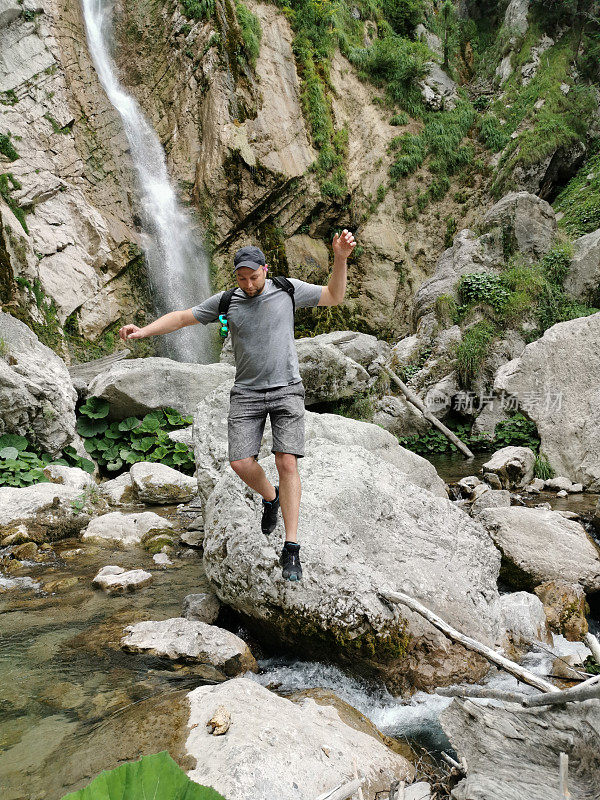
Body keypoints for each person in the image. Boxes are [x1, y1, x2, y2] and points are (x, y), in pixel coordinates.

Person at [118, 229, 356, 581]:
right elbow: (184, 317)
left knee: (286, 460)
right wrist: (144, 332)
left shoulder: (287, 289)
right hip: (246, 392)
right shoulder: (228, 300)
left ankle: (291, 548)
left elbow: (334, 296)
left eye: (253, 276)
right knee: (240, 462)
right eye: (241, 278)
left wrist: (340, 259)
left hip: (287, 388)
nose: (247, 284)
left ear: (265, 268)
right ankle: (271, 497)